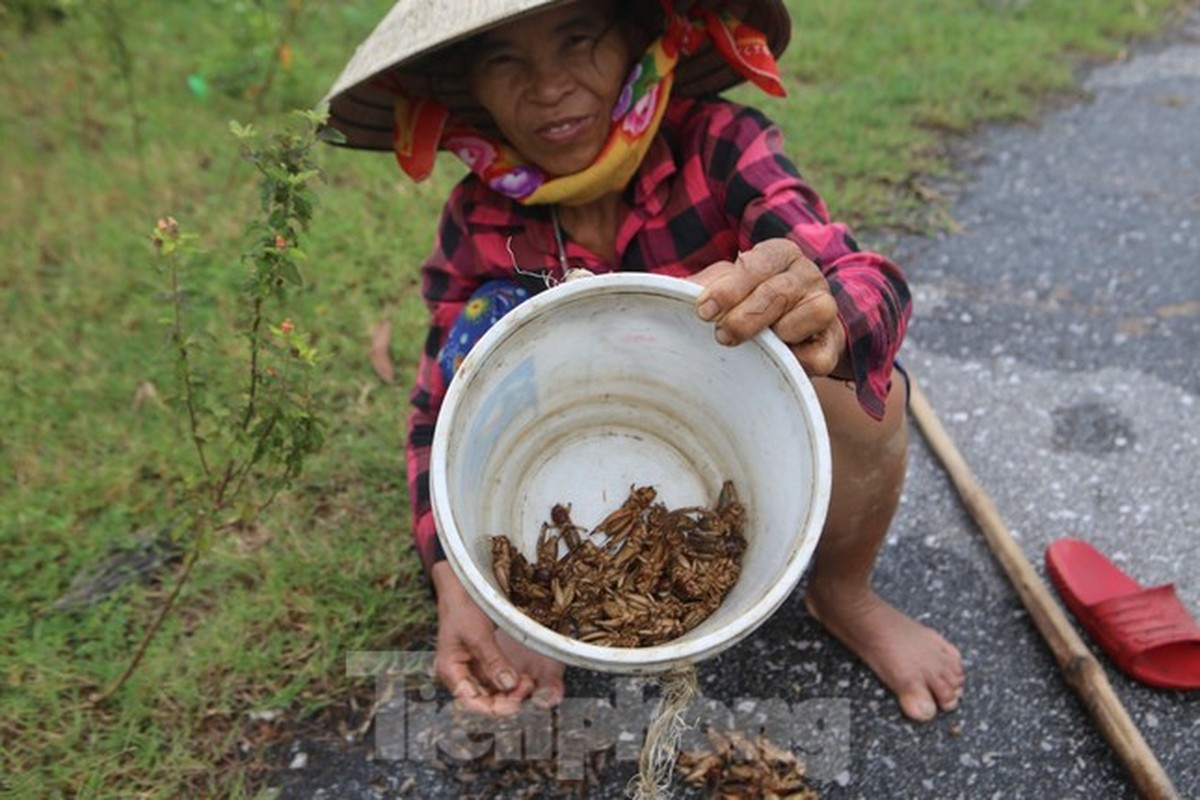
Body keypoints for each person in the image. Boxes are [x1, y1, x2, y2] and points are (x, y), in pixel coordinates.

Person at [323, 0, 965, 722]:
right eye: (505, 60)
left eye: (579, 40)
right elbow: (438, 416)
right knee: (487, 338)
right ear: (469, 88)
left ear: (638, 40)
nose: (548, 86)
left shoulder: (719, 144)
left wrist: (824, 308)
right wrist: (455, 579)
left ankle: (844, 594)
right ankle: (525, 617)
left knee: (862, 403)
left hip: (735, 410)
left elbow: (866, 278)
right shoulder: (479, 223)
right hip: (562, 434)